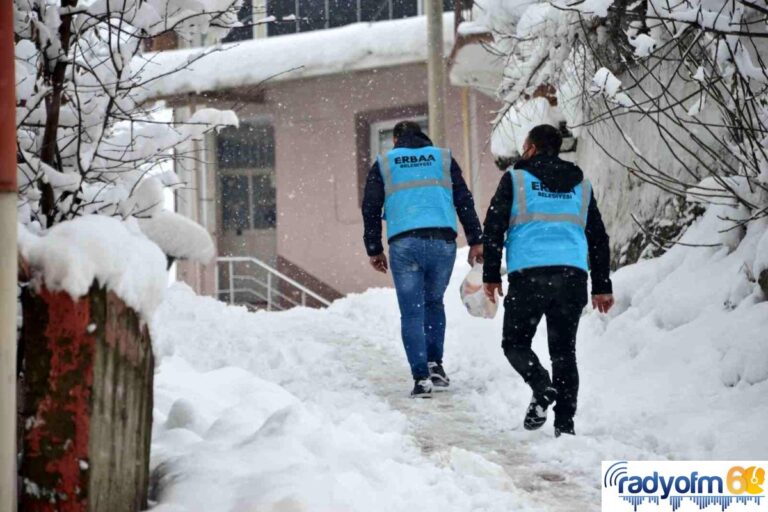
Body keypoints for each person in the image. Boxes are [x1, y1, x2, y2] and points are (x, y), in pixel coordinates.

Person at [482, 124, 614, 436]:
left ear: (530, 147)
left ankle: (542, 386)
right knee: (564, 352)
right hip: (571, 278)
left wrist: (490, 274)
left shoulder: (515, 179)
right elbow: (598, 237)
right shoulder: (580, 184)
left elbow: (494, 228)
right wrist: (602, 285)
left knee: (515, 343)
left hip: (529, 276)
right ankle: (565, 426)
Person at [362, 121, 484, 398]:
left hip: (404, 244)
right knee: (433, 303)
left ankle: (421, 379)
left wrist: (374, 248)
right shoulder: (442, 158)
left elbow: (370, 207)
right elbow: (463, 199)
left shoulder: (385, 162)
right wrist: (476, 240)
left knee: (412, 312)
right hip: (442, 242)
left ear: (395, 141)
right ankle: (435, 366)